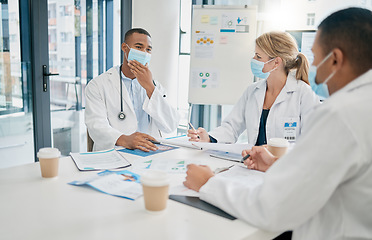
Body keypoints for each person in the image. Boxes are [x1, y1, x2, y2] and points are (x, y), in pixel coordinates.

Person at [184, 7, 372, 239]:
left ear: (334, 59)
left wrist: (208, 184)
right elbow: (324, 169)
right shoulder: (362, 106)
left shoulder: (339, 114)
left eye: (315, 58)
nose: (312, 68)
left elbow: (274, 207)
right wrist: (275, 164)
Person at [188, 31, 320, 146]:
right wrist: (209, 138)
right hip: (253, 168)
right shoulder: (252, 91)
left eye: (258, 56)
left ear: (276, 62)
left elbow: (311, 142)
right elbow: (231, 127)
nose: (253, 59)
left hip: (286, 169)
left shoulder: (304, 94)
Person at [85, 28, 179, 151]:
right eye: (139, 47)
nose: (144, 53)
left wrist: (150, 88)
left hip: (148, 152)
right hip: (114, 152)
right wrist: (124, 140)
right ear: (125, 48)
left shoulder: (155, 86)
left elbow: (170, 125)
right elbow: (96, 125)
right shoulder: (98, 85)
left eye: (148, 49)